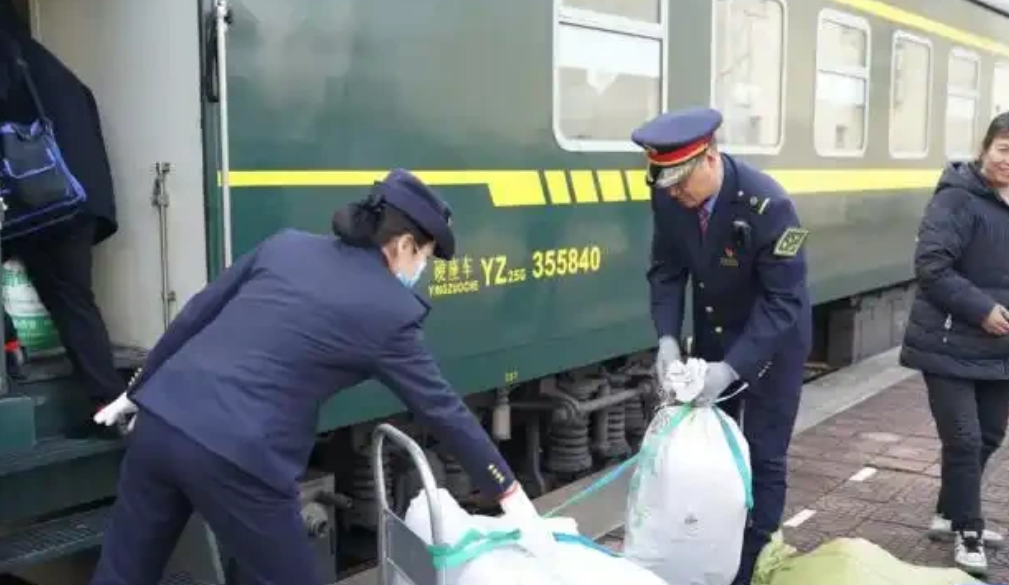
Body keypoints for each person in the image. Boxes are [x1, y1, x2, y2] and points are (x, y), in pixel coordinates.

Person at [88, 169, 548, 585]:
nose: (421, 270)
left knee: (122, 573)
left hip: (160, 422)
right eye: (424, 256)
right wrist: (508, 492)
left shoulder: (286, 245)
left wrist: (137, 390)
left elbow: (196, 313)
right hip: (237, 455)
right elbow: (443, 410)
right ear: (404, 245)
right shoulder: (388, 314)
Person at [632, 106, 812, 585]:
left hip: (773, 346)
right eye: (665, 184)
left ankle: (753, 566)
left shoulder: (770, 206)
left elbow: (783, 301)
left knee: (764, 455)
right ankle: (710, 546)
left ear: (710, 158)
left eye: (681, 182)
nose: (673, 194)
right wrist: (668, 339)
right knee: (713, 456)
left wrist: (731, 370)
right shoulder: (672, 198)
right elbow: (667, 271)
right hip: (713, 339)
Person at [0, 0, 123, 420]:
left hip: (42, 203)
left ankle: (10, 347)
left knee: (69, 296)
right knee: (74, 300)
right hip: (76, 201)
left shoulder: (7, 58)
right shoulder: (52, 67)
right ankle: (110, 402)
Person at [898, 112, 1009, 577]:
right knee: (963, 440)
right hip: (947, 339)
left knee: (988, 436)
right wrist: (981, 308)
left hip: (999, 347)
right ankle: (967, 529)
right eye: (1004, 150)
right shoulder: (956, 199)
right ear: (985, 148)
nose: (1008, 161)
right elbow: (932, 266)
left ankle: (947, 511)